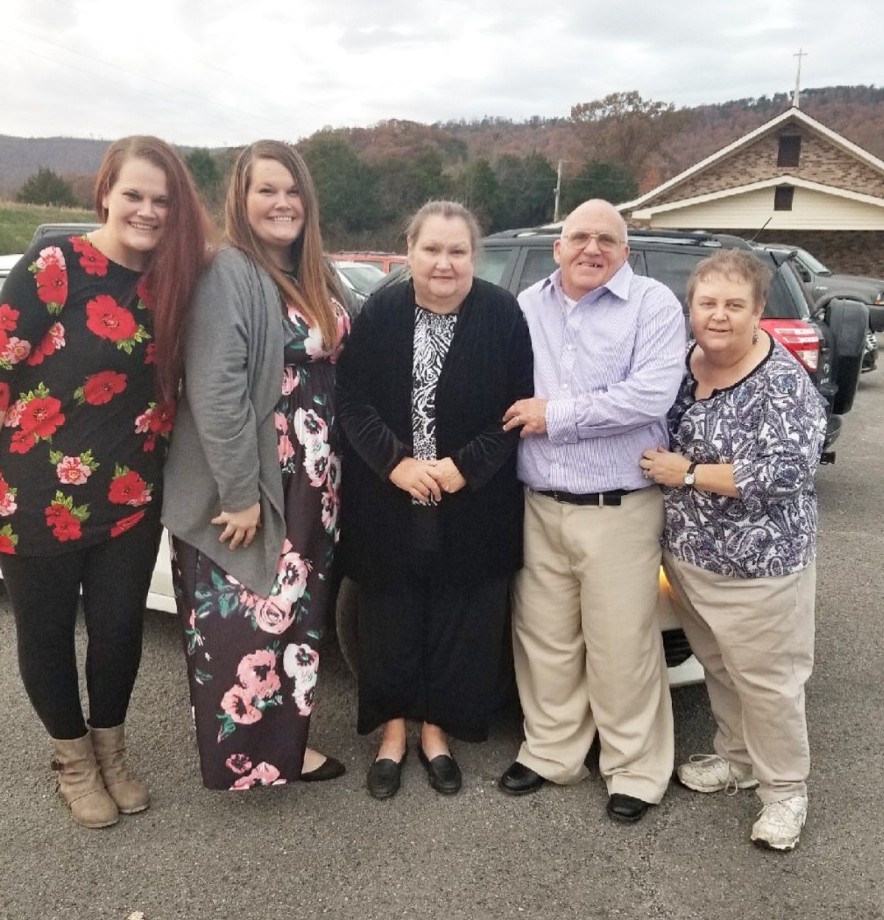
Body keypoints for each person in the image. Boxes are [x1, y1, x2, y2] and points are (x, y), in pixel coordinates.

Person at [0, 136, 211, 828]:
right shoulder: (55, 267)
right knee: (47, 633)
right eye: (134, 195)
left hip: (131, 495)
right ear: (106, 195)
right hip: (37, 494)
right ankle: (73, 761)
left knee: (119, 630)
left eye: (162, 200)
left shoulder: (175, 281)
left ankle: (112, 753)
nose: (147, 211)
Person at [162, 140, 349, 791]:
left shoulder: (314, 273)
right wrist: (240, 494)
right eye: (266, 189)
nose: (282, 202)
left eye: (293, 190)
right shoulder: (229, 271)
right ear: (240, 200)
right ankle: (248, 758)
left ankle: (284, 749)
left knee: (293, 618)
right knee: (243, 623)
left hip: (313, 481)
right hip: (258, 482)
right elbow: (216, 390)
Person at [336, 200, 533, 799]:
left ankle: (436, 734)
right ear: (410, 251)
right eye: (431, 250)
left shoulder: (501, 314)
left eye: (457, 251)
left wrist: (462, 467)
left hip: (471, 500)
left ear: (474, 256)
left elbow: (517, 409)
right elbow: (352, 399)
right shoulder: (382, 311)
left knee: (458, 619)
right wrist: (395, 463)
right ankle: (393, 734)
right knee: (388, 618)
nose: (443, 263)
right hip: (388, 497)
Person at [499, 199, 685, 823]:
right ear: (558, 247)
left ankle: (635, 770)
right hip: (538, 504)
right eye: (579, 236)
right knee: (544, 641)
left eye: (607, 239)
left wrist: (555, 415)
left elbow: (649, 396)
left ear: (625, 251)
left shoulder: (653, 305)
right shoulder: (528, 304)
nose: (592, 248)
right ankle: (552, 751)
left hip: (619, 508)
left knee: (622, 646)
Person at [640, 249, 826, 851]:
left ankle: (785, 792)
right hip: (690, 558)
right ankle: (739, 759)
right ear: (690, 307)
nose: (718, 315)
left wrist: (690, 473)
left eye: (733, 304)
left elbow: (788, 471)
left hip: (761, 565)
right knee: (719, 665)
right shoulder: (683, 362)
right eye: (707, 303)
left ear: (757, 310)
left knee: (769, 682)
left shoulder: (781, 381)